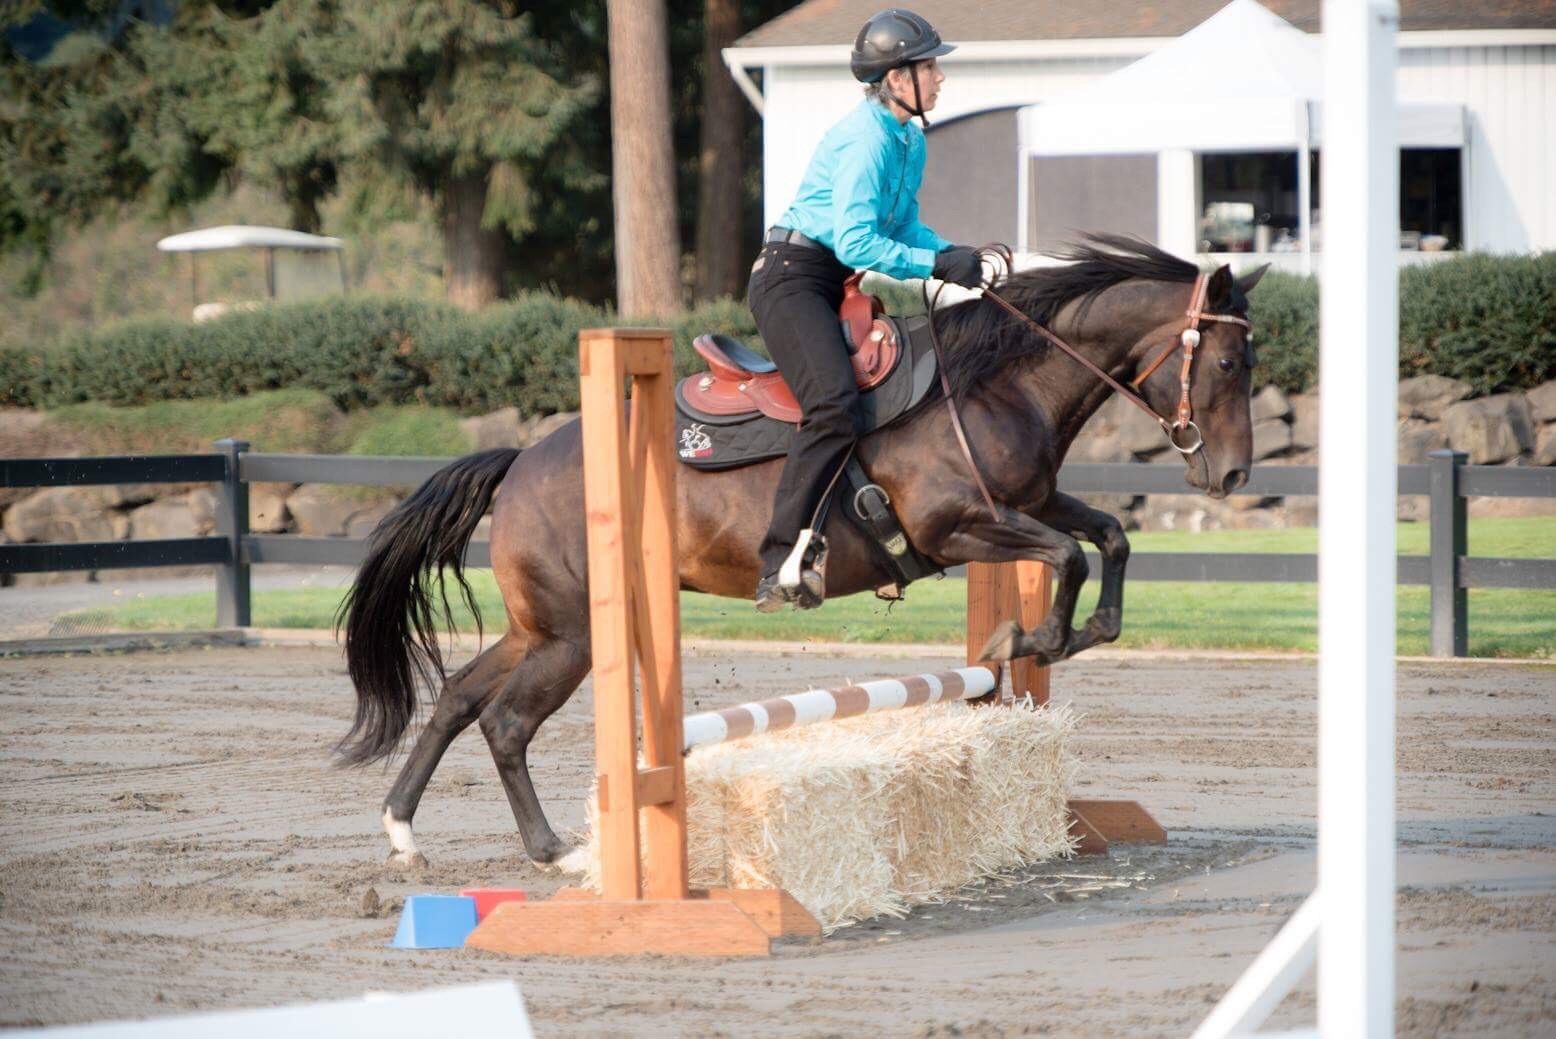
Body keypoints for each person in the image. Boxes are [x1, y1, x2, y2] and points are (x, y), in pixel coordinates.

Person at [749, 8, 984, 613]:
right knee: (831, 403)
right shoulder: (863, 139)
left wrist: (954, 253)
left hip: (830, 282)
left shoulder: (907, 138)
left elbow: (901, 226)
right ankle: (778, 560)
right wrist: (934, 267)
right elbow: (856, 243)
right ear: (898, 79)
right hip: (792, 279)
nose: (940, 78)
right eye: (930, 66)